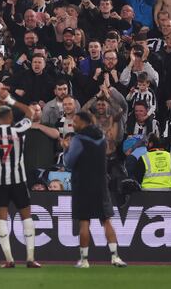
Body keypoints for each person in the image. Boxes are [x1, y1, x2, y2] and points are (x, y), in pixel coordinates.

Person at [0, 86, 41, 269]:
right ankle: (30, 258)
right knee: (26, 217)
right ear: (10, 117)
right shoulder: (18, 130)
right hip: (18, 180)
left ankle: (9, 259)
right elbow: (30, 112)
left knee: (1, 219)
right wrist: (9, 100)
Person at [64, 111, 127, 268]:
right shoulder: (101, 137)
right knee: (106, 220)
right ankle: (115, 257)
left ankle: (84, 260)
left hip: (83, 185)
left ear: (84, 122)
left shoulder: (78, 139)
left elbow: (69, 163)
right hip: (100, 184)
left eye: (76, 121)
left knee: (84, 222)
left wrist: (66, 149)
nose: (74, 124)